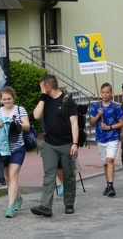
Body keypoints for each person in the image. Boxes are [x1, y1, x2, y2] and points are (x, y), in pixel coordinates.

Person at [31, 75, 79, 217]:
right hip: (49, 144)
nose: (41, 90)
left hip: (67, 144)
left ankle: (69, 203)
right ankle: (45, 206)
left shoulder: (68, 101)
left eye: (42, 87)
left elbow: (74, 124)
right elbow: (36, 115)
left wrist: (75, 143)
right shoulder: (44, 101)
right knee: (49, 175)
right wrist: (42, 97)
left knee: (69, 175)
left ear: (48, 87)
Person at [0, 87, 30, 218]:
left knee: (13, 176)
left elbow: (27, 126)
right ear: (1, 100)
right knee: (7, 179)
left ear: (13, 98)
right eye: (4, 99)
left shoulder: (20, 109)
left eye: (9, 99)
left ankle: (10, 207)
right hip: (3, 149)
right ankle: (18, 199)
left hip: (17, 148)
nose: (7, 101)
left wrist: (16, 122)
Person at [89, 82, 123, 197]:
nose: (105, 95)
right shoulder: (95, 106)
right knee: (105, 162)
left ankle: (111, 185)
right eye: (103, 93)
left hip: (113, 137)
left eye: (107, 92)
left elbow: (122, 123)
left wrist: (109, 127)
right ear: (100, 93)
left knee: (110, 159)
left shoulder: (115, 107)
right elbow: (91, 123)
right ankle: (108, 184)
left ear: (111, 93)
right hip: (101, 138)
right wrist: (98, 115)